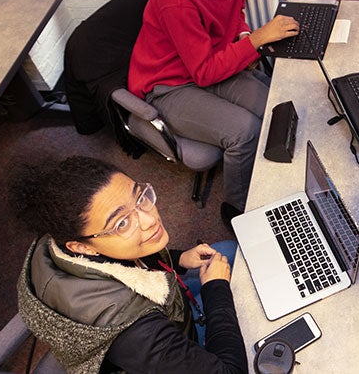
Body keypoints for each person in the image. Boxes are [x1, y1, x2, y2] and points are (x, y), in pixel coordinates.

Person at [127, 0, 300, 227]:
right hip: (169, 84)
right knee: (245, 131)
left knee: (276, 104)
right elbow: (204, 72)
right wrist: (261, 38)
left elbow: (234, 14)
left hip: (207, 63)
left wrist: (245, 35)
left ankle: (273, 181)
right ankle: (237, 209)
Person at [13, 156, 248, 373]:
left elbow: (130, 262)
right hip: (167, 342)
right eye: (122, 223)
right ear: (82, 247)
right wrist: (215, 287)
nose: (150, 219)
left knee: (230, 249)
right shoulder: (133, 331)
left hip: (167, 313)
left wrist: (179, 259)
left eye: (140, 197)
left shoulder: (59, 241)